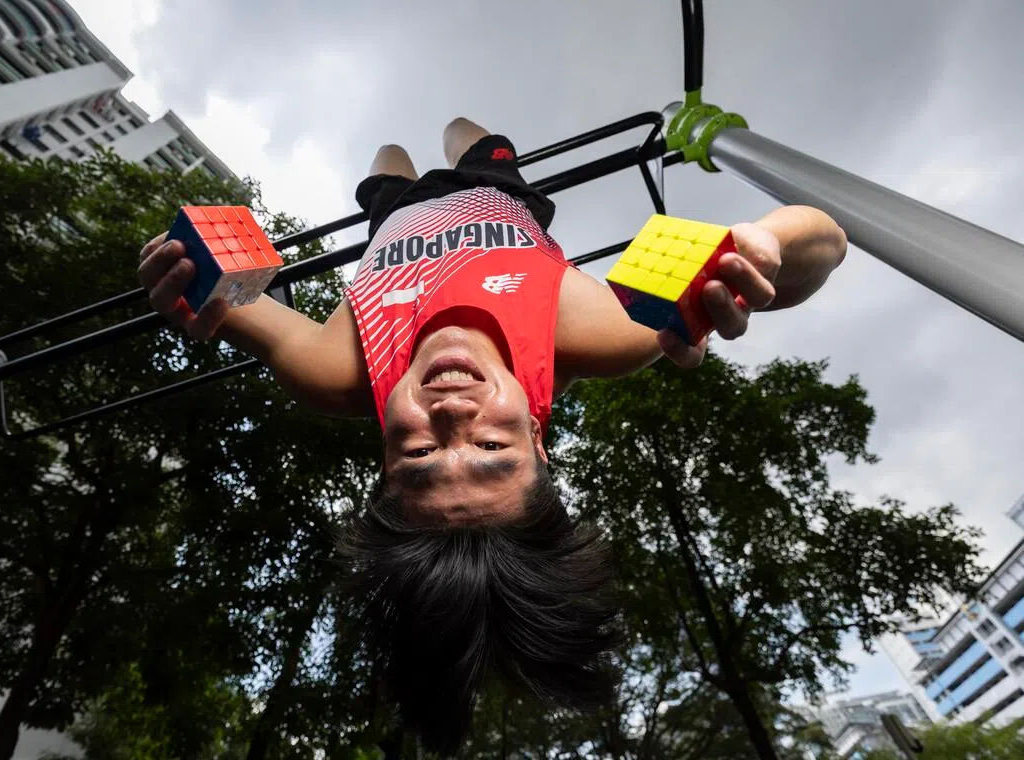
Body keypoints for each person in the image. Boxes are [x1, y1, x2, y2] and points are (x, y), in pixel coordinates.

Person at [137, 117, 847, 753]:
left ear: (387, 463)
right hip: (494, 188)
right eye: (488, 450)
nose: (452, 416)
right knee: (460, 128)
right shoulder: (599, 332)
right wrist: (767, 246)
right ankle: (460, 140)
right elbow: (827, 237)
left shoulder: (333, 369)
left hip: (395, 215)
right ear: (539, 442)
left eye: (420, 454)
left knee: (386, 161)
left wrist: (177, 275)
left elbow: (210, 287)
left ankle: (392, 167)